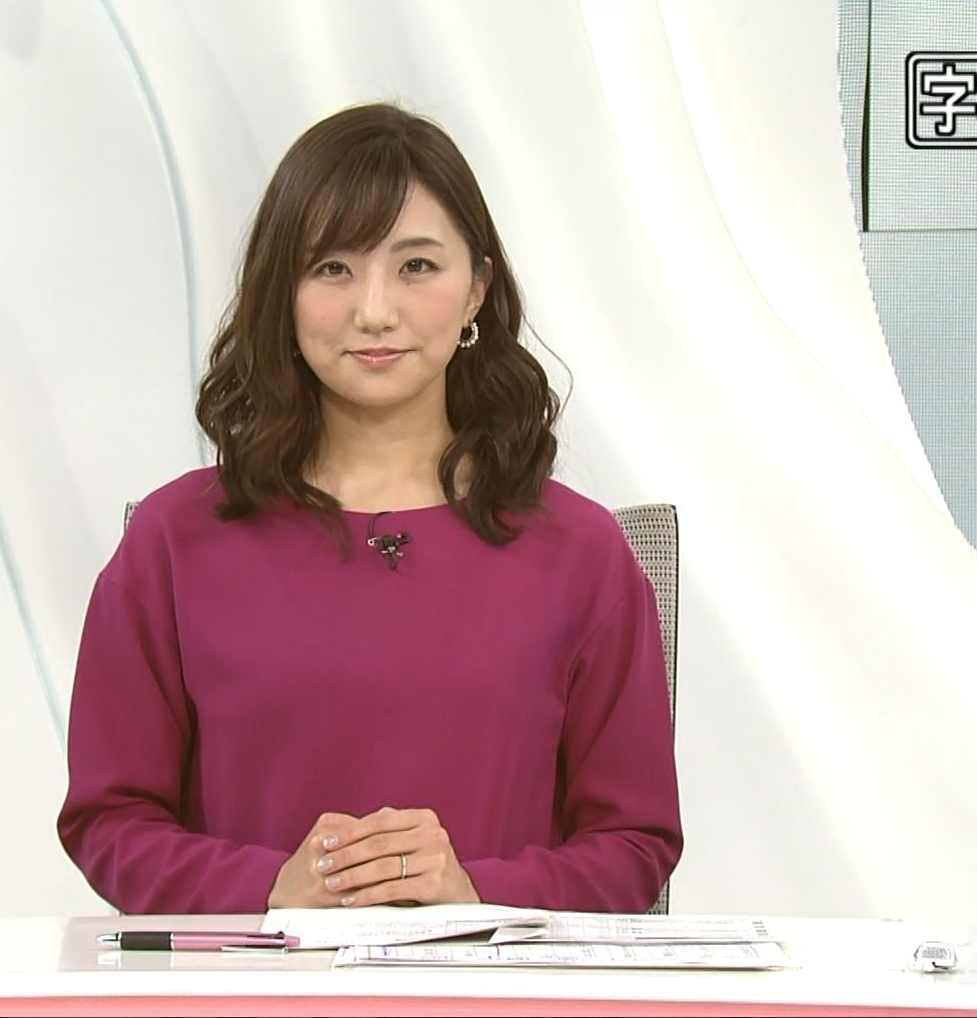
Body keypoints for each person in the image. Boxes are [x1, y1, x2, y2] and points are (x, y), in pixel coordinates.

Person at [57, 102, 681, 915]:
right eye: (331, 268)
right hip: (253, 981)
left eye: (416, 266)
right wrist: (269, 890)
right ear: (282, 294)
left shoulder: (583, 551)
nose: (375, 311)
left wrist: (477, 894)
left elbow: (636, 845)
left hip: (493, 983)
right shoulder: (172, 542)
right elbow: (108, 822)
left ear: (477, 291)